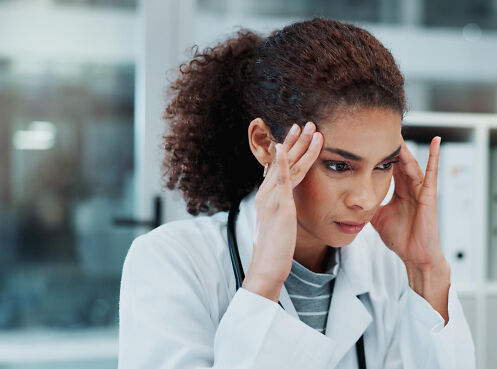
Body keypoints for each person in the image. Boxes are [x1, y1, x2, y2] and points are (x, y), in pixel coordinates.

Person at [118, 17, 475, 369]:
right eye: (339, 166)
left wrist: (425, 268)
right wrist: (264, 283)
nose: (366, 199)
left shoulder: (388, 268)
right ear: (263, 143)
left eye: (383, 166)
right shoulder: (172, 262)